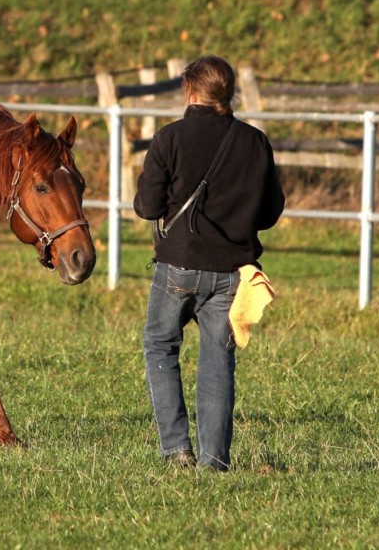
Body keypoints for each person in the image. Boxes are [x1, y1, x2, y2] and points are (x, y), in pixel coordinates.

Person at [133, 54, 285, 471]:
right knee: (218, 361)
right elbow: (270, 213)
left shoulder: (169, 139)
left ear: (191, 90)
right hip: (233, 272)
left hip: (177, 266)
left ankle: (176, 450)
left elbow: (146, 207)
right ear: (229, 92)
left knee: (161, 345)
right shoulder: (255, 142)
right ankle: (214, 461)